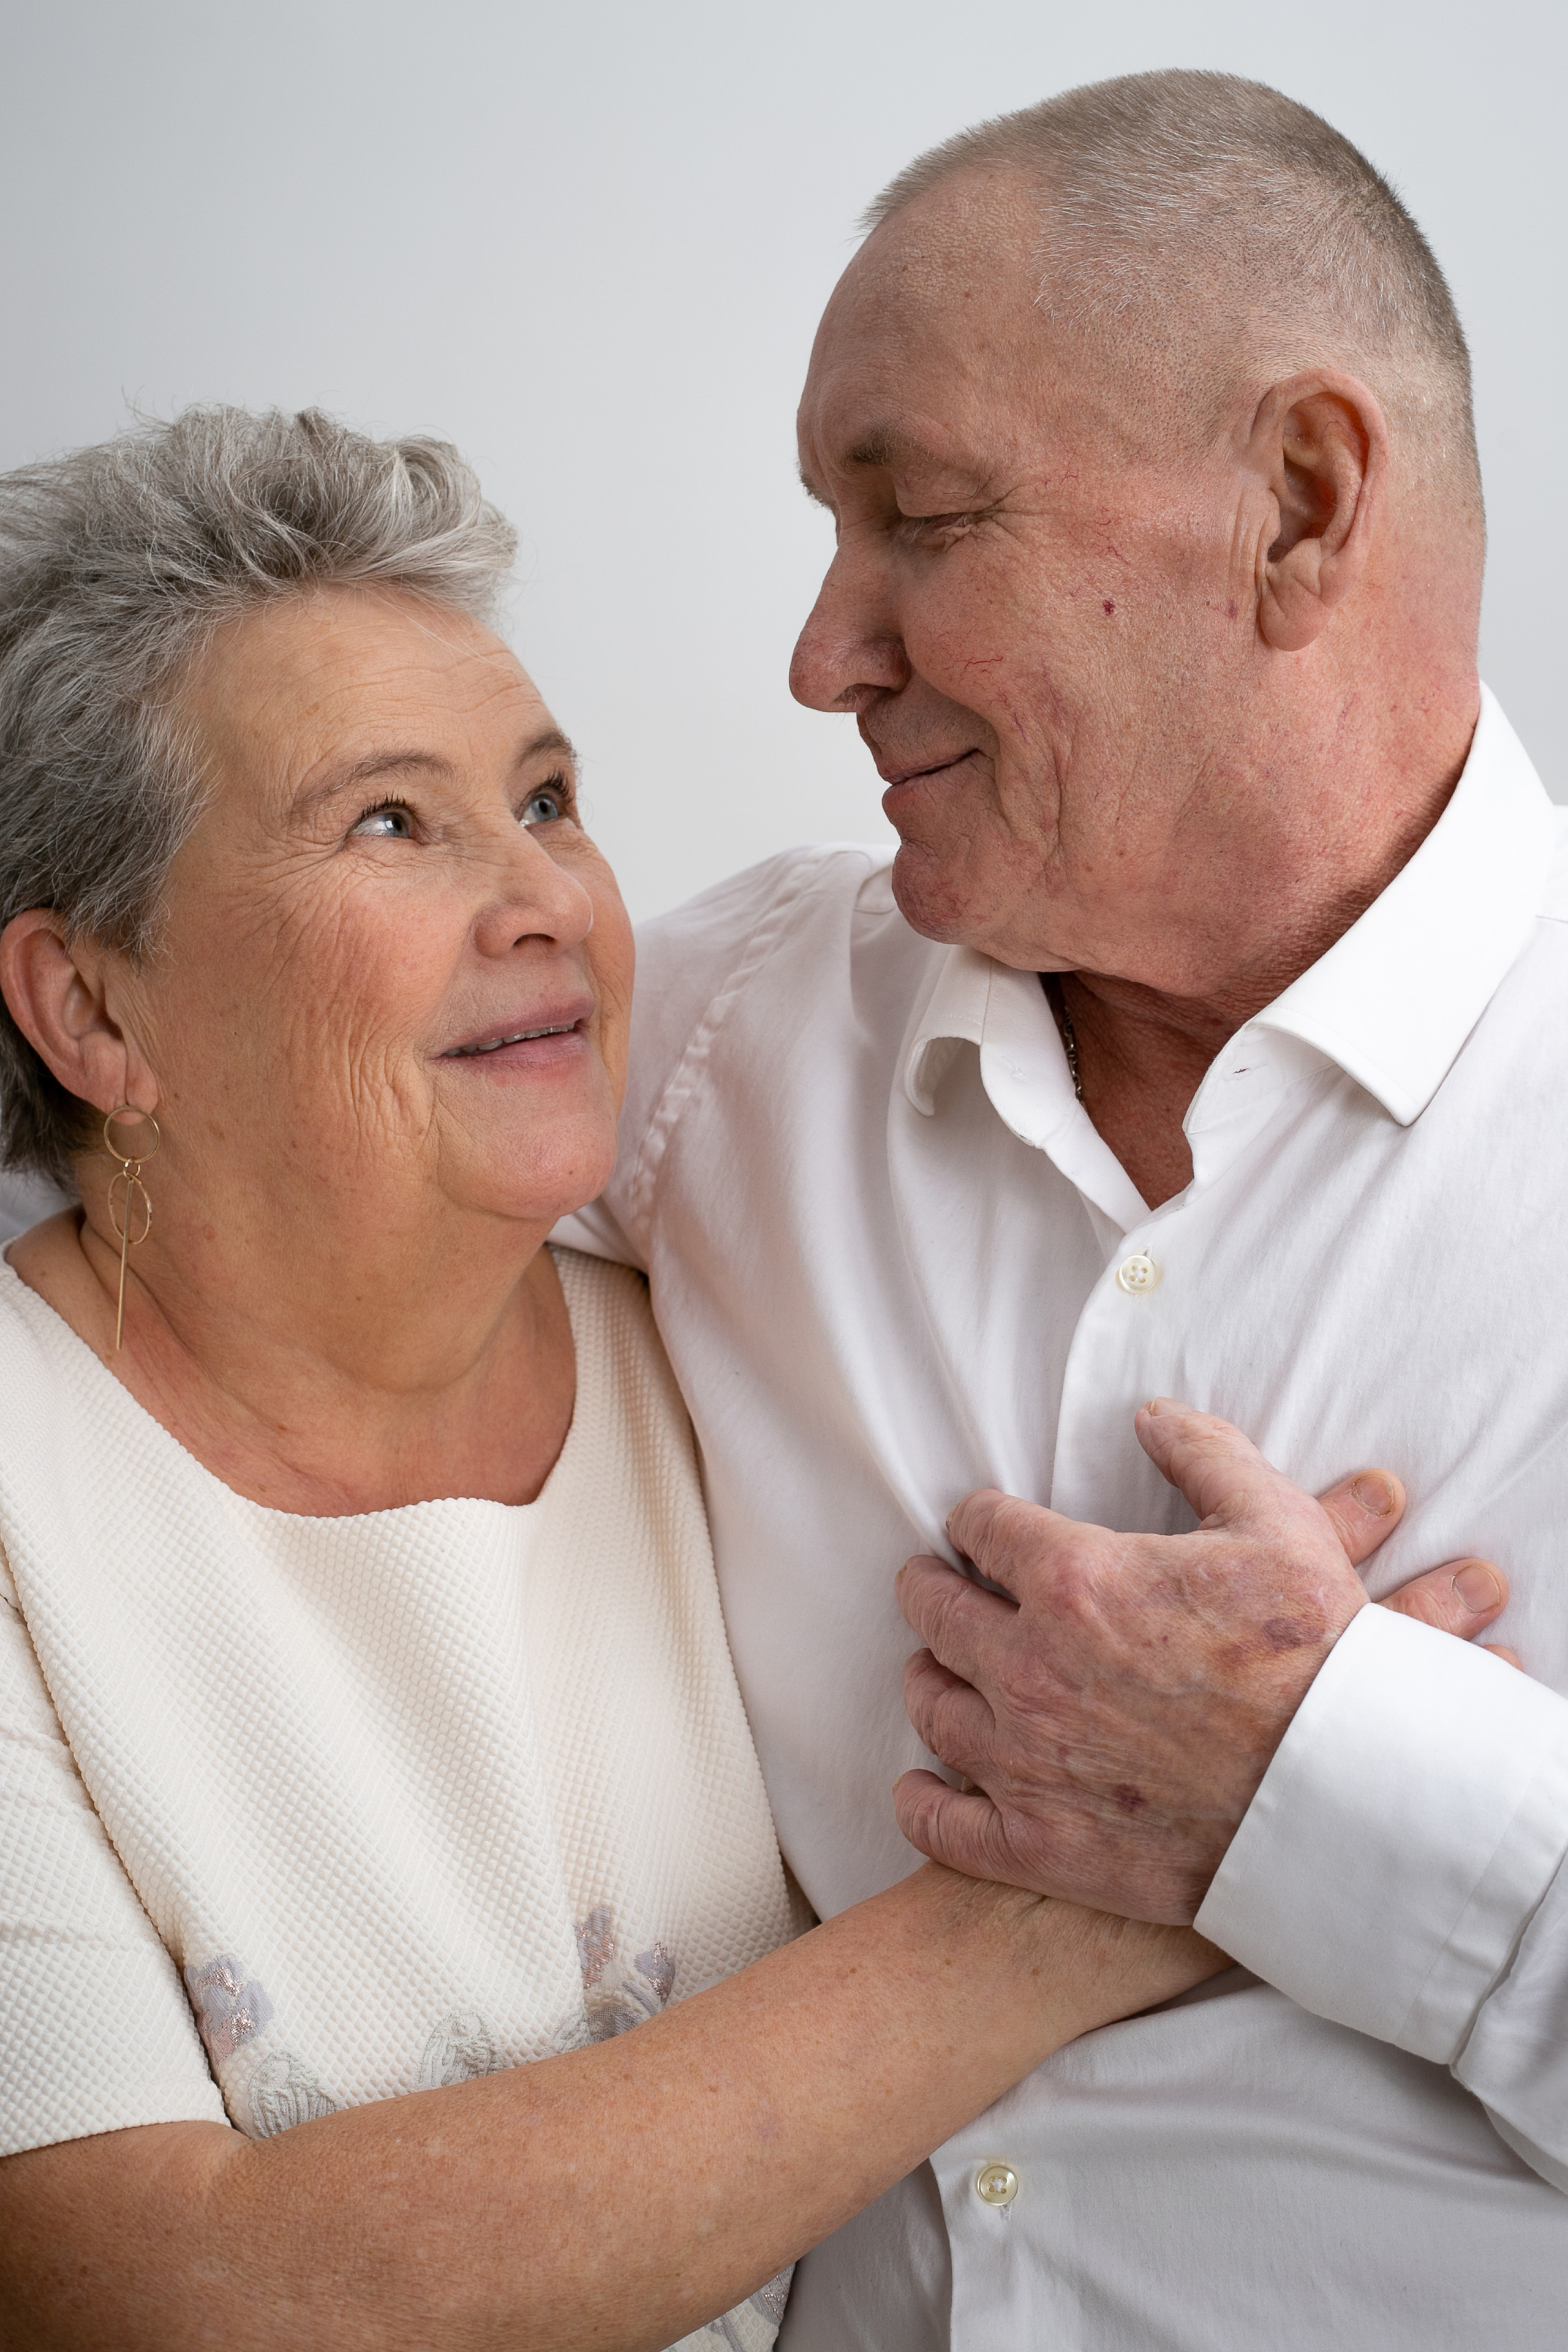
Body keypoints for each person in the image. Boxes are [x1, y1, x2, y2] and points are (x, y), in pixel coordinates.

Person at [0, 404, 1256, 2351]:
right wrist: (1061, 1905)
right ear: (93, 1007)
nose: (547, 905)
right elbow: (155, 2292)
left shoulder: (723, 1328)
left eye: (551, 799)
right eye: (392, 822)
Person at [559, 70, 1568, 2348]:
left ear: (1300, 509)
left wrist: (1323, 1794)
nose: (824, 655)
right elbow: (180, 1191)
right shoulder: (711, 1032)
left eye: (919, 519)